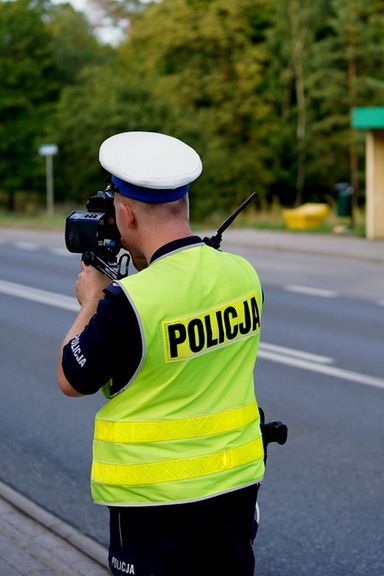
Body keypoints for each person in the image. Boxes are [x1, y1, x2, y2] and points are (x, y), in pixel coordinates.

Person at [57, 131, 266, 575]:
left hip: (155, 508)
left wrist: (92, 300)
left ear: (126, 214)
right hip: (234, 491)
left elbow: (71, 379)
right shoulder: (242, 274)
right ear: (183, 205)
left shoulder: (129, 302)